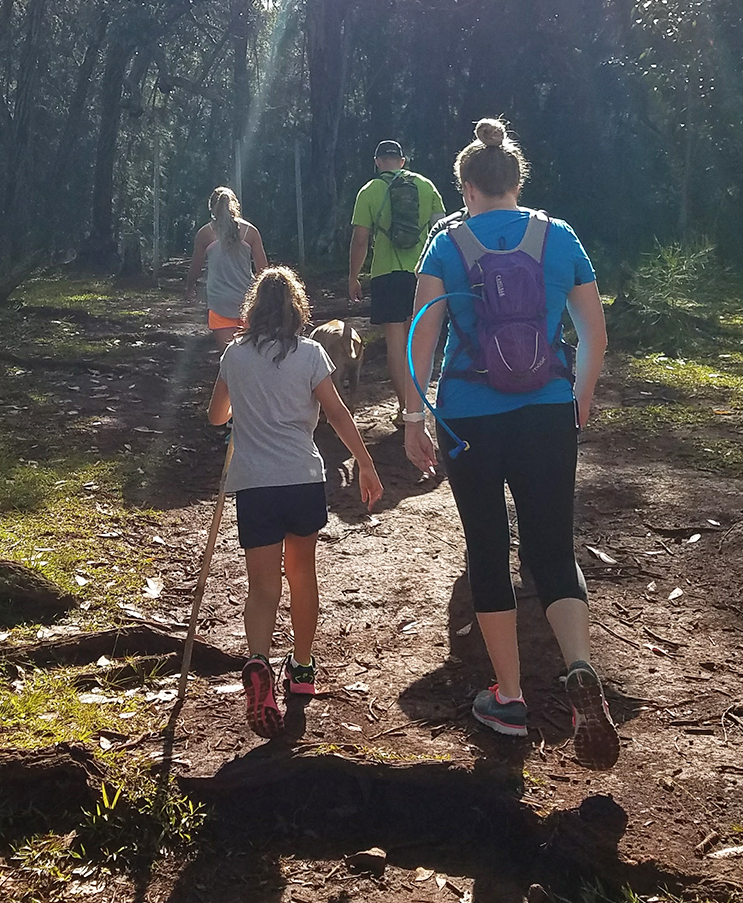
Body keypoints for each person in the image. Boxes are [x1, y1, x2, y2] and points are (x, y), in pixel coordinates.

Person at [402, 118, 618, 770]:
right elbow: (594, 331)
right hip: (549, 408)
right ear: (516, 181)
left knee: (488, 549)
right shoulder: (561, 236)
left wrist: (417, 414)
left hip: (470, 413)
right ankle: (578, 668)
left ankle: (510, 695)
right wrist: (579, 390)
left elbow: (423, 336)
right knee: (552, 549)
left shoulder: (446, 244)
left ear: (466, 186)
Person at [208, 266, 383, 739]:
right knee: (301, 576)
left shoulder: (235, 355)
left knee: (262, 587)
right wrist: (365, 464)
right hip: (301, 480)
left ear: (253, 309)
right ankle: (302, 670)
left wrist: (243, 406)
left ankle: (259, 661)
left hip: (254, 485)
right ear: (297, 311)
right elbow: (337, 412)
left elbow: (215, 414)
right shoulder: (310, 354)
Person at [349, 141, 445, 412]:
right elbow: (441, 231)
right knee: (421, 340)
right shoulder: (426, 186)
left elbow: (360, 239)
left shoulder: (369, 190)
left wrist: (353, 276)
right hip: (424, 274)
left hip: (386, 273)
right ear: (402, 161)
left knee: (396, 343)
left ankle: (406, 408)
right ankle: (420, 401)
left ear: (377, 161)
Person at [186, 187, 268, 345]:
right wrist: (265, 297)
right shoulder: (250, 232)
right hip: (248, 302)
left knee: (228, 355)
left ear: (212, 208)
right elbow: (263, 271)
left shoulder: (205, 233)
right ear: (235, 205)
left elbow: (195, 267)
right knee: (252, 351)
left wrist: (190, 288)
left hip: (219, 302)